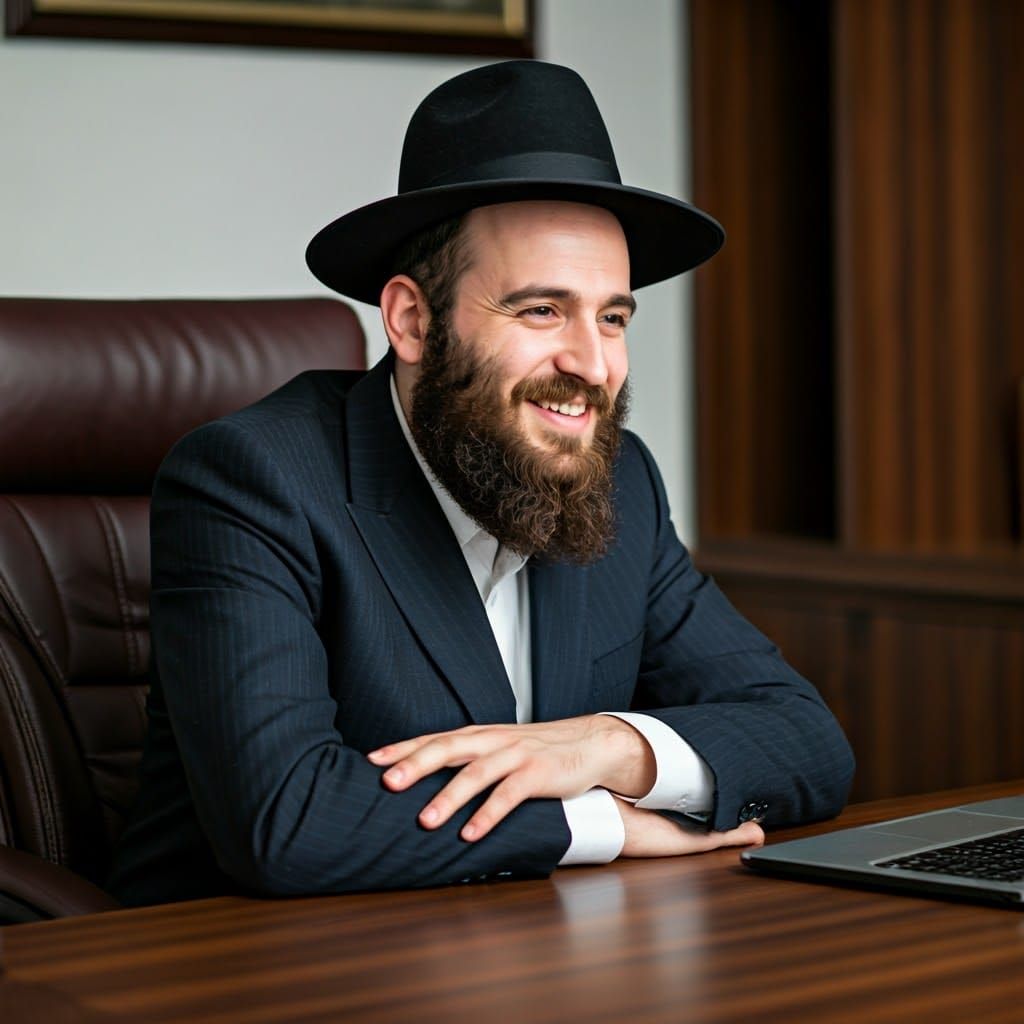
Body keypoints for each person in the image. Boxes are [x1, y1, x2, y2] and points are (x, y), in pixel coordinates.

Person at [108, 60, 854, 905]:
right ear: (412, 320)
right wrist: (596, 826)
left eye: (612, 317)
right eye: (542, 310)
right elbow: (288, 821)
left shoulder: (620, 481)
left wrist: (608, 749)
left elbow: (807, 740)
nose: (593, 365)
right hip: (218, 972)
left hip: (521, 957)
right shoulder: (252, 481)